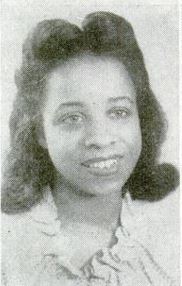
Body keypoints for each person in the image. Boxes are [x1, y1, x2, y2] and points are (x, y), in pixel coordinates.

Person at [1, 11, 179, 285]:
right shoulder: (8, 246)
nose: (100, 138)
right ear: (39, 132)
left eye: (119, 112)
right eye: (73, 118)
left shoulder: (173, 238)